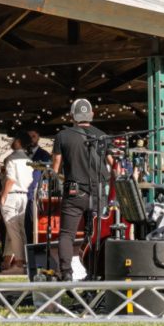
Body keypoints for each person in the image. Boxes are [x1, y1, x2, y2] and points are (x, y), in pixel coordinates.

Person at [51, 99, 114, 280]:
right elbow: (114, 166)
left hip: (74, 191)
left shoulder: (62, 136)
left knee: (67, 234)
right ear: (91, 115)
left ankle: (66, 273)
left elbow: (55, 168)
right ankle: (94, 271)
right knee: (96, 232)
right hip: (99, 191)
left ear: (72, 116)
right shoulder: (103, 136)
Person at [0, 133, 35, 273]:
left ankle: (20, 262)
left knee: (13, 230)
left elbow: (10, 179)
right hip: (23, 194)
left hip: (12, 194)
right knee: (20, 229)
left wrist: (3, 195)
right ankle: (23, 260)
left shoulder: (12, 158)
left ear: (18, 141)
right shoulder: (27, 159)